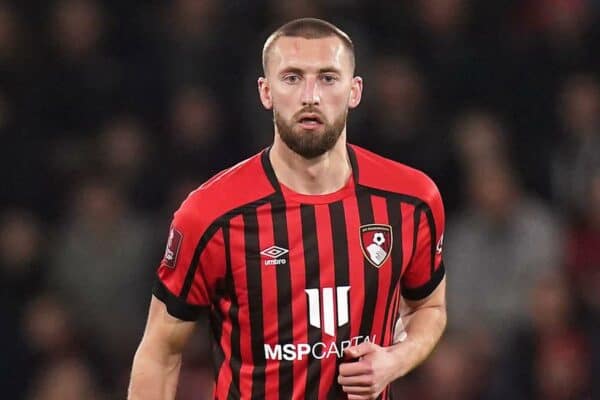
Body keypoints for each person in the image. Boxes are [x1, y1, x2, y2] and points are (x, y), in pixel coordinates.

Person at [129, 18, 447, 400]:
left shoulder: (411, 199)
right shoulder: (210, 215)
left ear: (355, 91)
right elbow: (160, 351)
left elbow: (428, 306)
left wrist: (395, 360)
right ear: (265, 92)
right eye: (292, 78)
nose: (310, 96)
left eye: (328, 78)